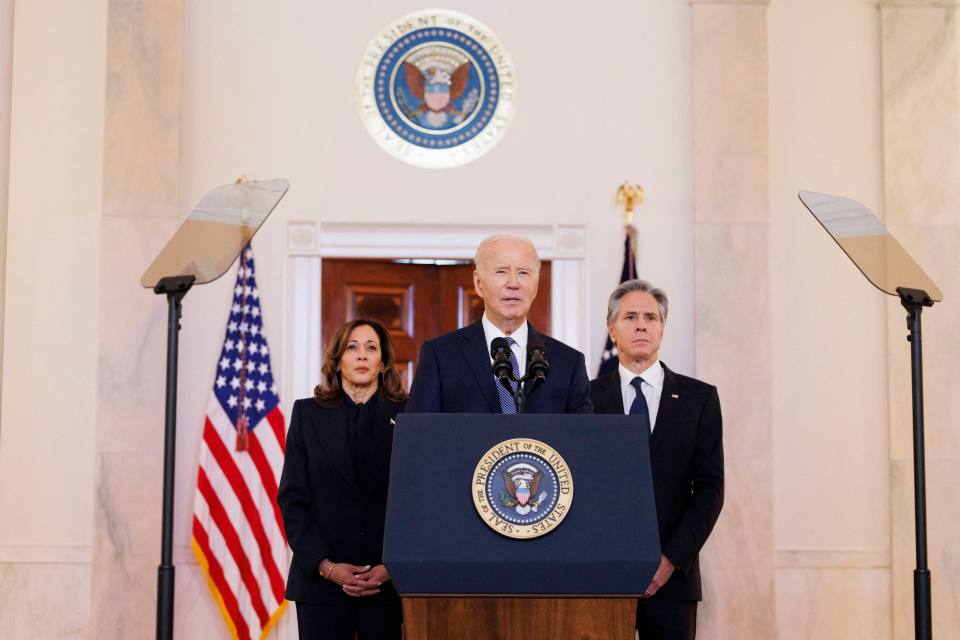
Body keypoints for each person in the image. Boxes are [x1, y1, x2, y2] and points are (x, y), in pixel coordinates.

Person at [590, 279, 724, 640]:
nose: (641, 324)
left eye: (651, 317)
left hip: (674, 580)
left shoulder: (700, 399)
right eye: (630, 316)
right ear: (611, 328)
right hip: (598, 576)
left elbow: (710, 490)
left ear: (662, 328)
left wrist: (670, 560)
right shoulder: (583, 399)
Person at [277, 319, 405, 640]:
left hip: (387, 585)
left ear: (383, 363)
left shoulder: (409, 415)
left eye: (371, 348)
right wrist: (327, 567)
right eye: (352, 347)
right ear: (337, 361)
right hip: (321, 586)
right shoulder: (307, 413)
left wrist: (392, 565)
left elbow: (422, 503)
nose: (362, 355)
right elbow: (293, 499)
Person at [406, 234, 592, 414]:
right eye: (501, 271)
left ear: (535, 286)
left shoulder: (568, 363)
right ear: (478, 283)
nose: (513, 283)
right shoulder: (440, 356)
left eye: (523, 272)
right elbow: (419, 437)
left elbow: (583, 440)